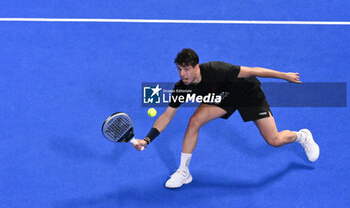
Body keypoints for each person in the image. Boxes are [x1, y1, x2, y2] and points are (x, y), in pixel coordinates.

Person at [133, 48, 320, 189]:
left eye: (186, 69)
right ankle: (184, 172)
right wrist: (147, 139)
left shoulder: (217, 70)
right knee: (194, 121)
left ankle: (301, 136)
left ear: (196, 67)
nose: (182, 74)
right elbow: (167, 116)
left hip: (248, 94)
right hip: (223, 99)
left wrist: (284, 76)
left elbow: (254, 71)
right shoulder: (181, 87)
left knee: (274, 140)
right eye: (179, 69)